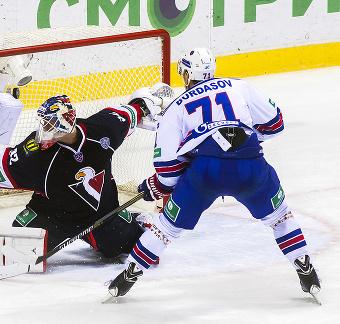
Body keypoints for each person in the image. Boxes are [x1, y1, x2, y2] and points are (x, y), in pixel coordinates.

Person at [107, 48, 322, 302]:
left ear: (187, 74)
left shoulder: (176, 107)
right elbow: (276, 123)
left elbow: (166, 167)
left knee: (165, 228)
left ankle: (129, 275)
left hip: (204, 173)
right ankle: (306, 269)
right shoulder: (238, 86)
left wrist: (158, 185)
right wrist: (244, 139)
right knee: (280, 216)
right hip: (250, 163)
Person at [0, 91, 166, 259]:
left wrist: (141, 105)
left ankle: (135, 219)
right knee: (19, 251)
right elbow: (0, 166)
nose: (44, 129)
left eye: (49, 124)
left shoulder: (101, 131)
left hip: (101, 216)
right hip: (53, 216)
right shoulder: (35, 153)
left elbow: (126, 115)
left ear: (66, 122)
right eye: (44, 123)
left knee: (123, 251)